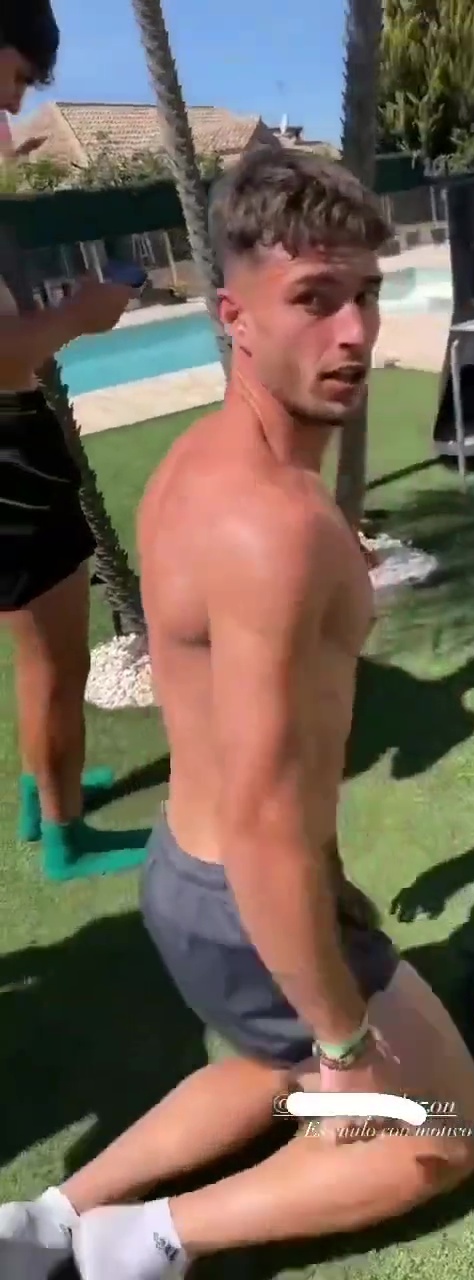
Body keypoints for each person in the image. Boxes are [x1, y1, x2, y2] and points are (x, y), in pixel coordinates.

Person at [0, 148, 474, 1279]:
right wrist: (347, 1044)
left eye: (366, 293)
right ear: (234, 319)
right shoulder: (277, 529)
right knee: (447, 1129)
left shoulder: (195, 466)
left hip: (187, 873)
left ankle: (49, 1215)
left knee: (275, 1063)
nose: (355, 332)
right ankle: (146, 1239)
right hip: (251, 896)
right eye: (314, 299)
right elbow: (271, 823)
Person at [0, 2, 149, 880]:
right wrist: (82, 315)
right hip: (8, 458)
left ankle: (39, 797)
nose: (14, 106)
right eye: (16, 77)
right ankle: (67, 839)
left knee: (34, 651)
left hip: (13, 445)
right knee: (57, 658)